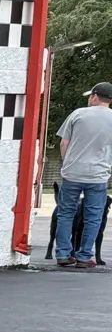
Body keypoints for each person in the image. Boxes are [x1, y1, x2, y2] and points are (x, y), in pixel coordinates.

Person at [54, 82, 112, 269]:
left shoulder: (77, 114)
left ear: (95, 96)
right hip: (98, 175)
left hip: (73, 172)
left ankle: (63, 254)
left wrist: (67, 162)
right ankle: (85, 256)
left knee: (66, 213)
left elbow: (64, 143)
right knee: (94, 216)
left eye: (90, 96)